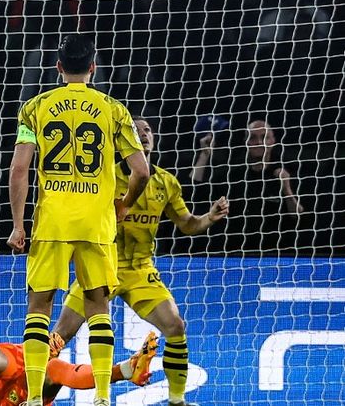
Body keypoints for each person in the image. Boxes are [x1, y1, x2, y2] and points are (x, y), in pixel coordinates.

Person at [6, 33, 151, 406]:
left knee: (39, 307)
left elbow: (20, 169)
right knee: (98, 306)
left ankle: (36, 397)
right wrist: (123, 204)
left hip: (52, 221)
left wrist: (18, 224)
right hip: (96, 222)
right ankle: (102, 395)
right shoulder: (114, 110)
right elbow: (141, 171)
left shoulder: (34, 107)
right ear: (93, 67)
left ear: (57, 68)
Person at [51, 116, 229, 406]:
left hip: (140, 269)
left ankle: (176, 400)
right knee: (60, 336)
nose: (144, 134)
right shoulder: (103, 177)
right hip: (100, 264)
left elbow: (186, 224)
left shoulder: (166, 182)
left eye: (148, 130)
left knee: (175, 326)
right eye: (136, 130)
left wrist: (208, 217)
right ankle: (32, 394)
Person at [0, 307, 157, 406]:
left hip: (18, 378)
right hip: (0, 402)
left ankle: (126, 370)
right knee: (48, 357)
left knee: (54, 367)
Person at [191, 119, 303, 254]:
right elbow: (195, 193)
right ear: (246, 142)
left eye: (264, 137)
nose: (259, 142)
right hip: (236, 255)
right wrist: (204, 154)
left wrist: (287, 189)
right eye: (253, 137)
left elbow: (299, 217)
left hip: (276, 255)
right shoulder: (232, 175)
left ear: (273, 141)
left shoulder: (287, 173)